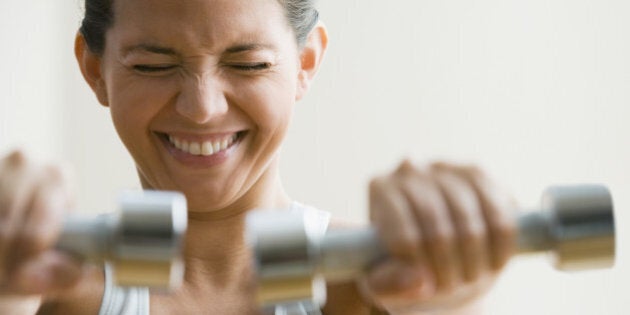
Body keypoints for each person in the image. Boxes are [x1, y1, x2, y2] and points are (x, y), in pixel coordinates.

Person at [0, 0, 516, 314]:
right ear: (95, 71)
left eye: (248, 64)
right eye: (153, 66)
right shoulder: (49, 293)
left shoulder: (369, 288)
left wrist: (456, 304)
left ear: (304, 64)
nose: (202, 109)